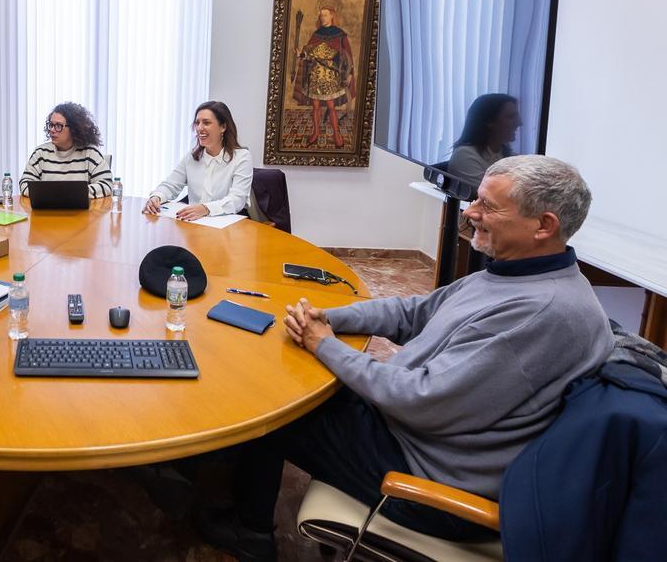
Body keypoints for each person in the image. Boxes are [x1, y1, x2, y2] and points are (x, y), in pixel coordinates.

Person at [195, 155, 613, 560]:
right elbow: (414, 312)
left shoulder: (541, 313)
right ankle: (216, 476)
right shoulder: (516, 274)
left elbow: (421, 398)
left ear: (544, 226)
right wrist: (329, 317)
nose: (471, 212)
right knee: (281, 381)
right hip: (413, 432)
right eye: (476, 199)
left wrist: (323, 343)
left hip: (424, 475)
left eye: (489, 205)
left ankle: (250, 533)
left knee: (271, 407)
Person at [142, 101, 251, 221]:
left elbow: (237, 199)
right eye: (197, 123)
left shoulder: (242, 157)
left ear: (223, 127)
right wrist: (157, 197)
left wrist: (206, 209)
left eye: (206, 123)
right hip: (195, 222)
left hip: (228, 224)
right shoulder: (192, 157)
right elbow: (171, 185)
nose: (199, 128)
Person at [291, 4, 356, 148]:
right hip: (315, 76)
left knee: (331, 106)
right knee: (315, 107)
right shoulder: (316, 34)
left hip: (331, 76)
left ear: (332, 15)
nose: (322, 18)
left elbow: (348, 56)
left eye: (325, 15)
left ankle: (336, 135)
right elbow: (310, 54)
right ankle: (315, 132)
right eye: (321, 15)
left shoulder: (340, 35)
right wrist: (301, 54)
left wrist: (350, 74)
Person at [19, 102, 114, 199]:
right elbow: (25, 183)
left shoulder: (90, 153)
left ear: (74, 129)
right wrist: (55, 194)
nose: (52, 130)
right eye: (51, 125)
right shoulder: (40, 153)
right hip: (48, 208)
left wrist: (74, 193)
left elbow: (107, 184)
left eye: (58, 126)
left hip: (79, 208)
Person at [447, 93, 522, 188]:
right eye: (511, 117)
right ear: (489, 121)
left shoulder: (507, 155)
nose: (520, 123)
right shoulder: (464, 156)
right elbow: (492, 194)